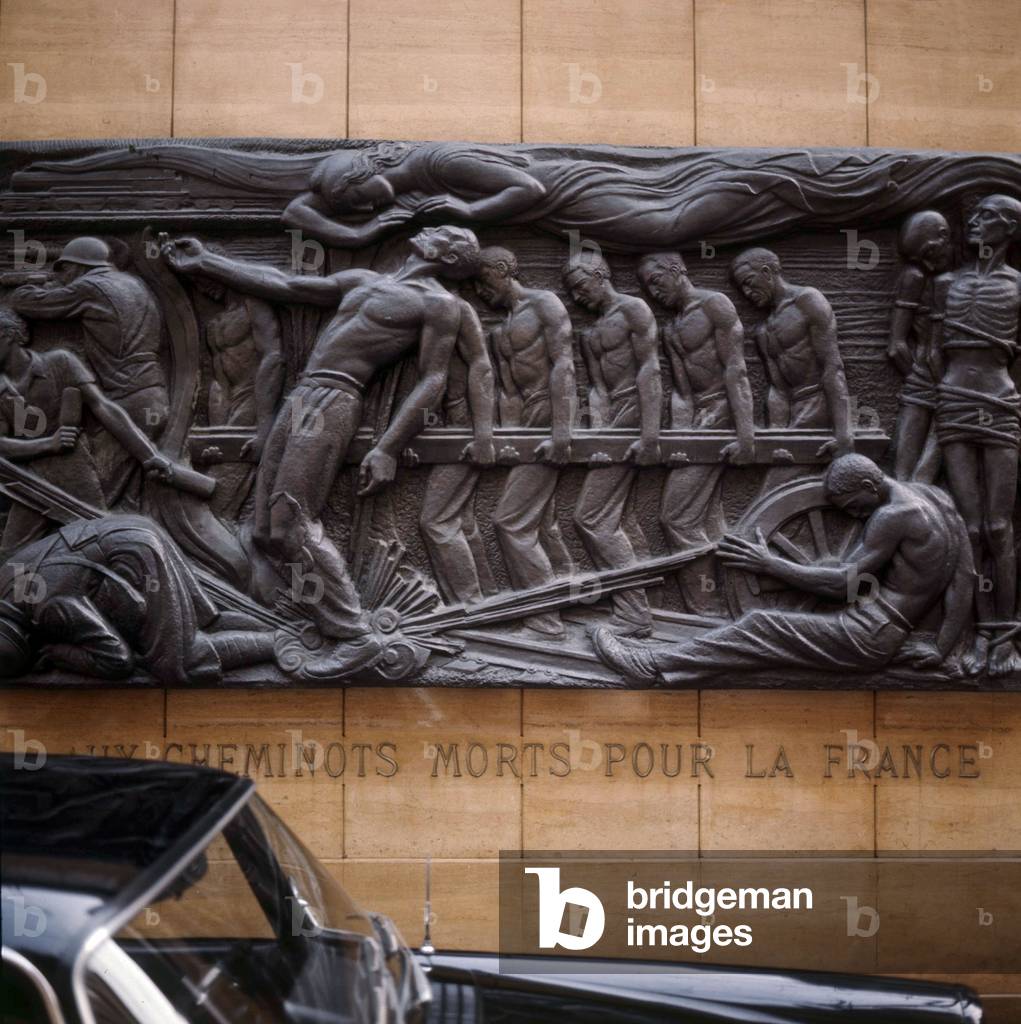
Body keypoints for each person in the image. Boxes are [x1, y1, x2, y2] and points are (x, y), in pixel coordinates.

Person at [160, 226, 496, 677]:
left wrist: (388, 448)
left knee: (289, 522)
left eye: (443, 231)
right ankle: (316, 617)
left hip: (337, 397)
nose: (430, 228)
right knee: (264, 531)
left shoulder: (439, 304)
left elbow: (432, 380)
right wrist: (206, 262)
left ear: (452, 257)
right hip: (302, 396)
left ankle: (354, 634)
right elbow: (288, 285)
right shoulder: (364, 280)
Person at [590, 454, 974, 687]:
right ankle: (678, 670)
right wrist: (943, 648)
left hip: (865, 636)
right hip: (882, 631)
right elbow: (963, 582)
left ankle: (650, 665)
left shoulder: (891, 517)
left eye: (852, 504)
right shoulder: (938, 500)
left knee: (760, 628)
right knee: (756, 643)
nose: (850, 514)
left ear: (870, 485)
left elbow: (843, 582)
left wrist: (769, 563)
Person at [0, 306, 186, 558]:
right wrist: (49, 444)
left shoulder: (60, 362)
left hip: (72, 471)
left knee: (97, 540)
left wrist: (148, 456)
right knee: (11, 556)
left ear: (10, 336)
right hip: (31, 480)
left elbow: (104, 408)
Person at [0, 514, 274, 684]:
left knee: (178, 664)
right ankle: (279, 631)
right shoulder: (6, 584)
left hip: (135, 551)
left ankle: (279, 644)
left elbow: (117, 660)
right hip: (131, 532)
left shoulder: (50, 609)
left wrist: (58, 654)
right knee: (203, 626)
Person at [931, 194, 1021, 675]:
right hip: (955, 401)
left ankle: (1005, 639)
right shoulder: (946, 285)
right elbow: (929, 354)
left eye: (987, 217)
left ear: (1008, 229)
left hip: (1000, 402)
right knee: (967, 528)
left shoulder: (1018, 286)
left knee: (999, 526)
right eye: (975, 214)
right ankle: (975, 635)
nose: (975, 222)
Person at [10, 237, 168, 507]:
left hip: (128, 400)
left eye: (65, 270)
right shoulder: (135, 284)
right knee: (121, 498)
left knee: (81, 498)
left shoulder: (90, 287)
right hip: (151, 394)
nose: (63, 277)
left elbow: (27, 303)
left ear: (80, 266)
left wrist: (31, 283)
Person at [638, 252, 755, 616]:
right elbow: (684, 393)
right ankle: (734, 605)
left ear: (677, 270)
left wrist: (746, 434)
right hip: (699, 418)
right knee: (707, 518)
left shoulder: (715, 305)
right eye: (647, 288)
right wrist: (681, 439)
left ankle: (707, 609)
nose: (653, 292)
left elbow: (736, 370)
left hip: (724, 412)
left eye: (657, 281)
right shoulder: (672, 328)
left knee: (677, 518)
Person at [472, 245, 575, 637]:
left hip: (553, 413)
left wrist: (562, 430)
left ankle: (545, 618)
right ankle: (571, 599)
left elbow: (563, 364)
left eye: (483, 282)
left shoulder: (546, 304)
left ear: (503, 268)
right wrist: (508, 440)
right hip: (528, 419)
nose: (481, 293)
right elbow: (509, 394)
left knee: (510, 522)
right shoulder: (500, 334)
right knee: (542, 521)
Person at [566, 254, 661, 637]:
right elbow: (598, 389)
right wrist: (599, 435)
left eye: (580, 285)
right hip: (614, 425)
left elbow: (649, 369)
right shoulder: (589, 334)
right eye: (570, 291)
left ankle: (635, 612)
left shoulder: (635, 310)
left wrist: (650, 435)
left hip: (637, 415)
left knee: (591, 518)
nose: (576, 296)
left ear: (601, 274)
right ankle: (641, 603)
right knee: (612, 518)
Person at [731, 247, 852, 488]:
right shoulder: (763, 330)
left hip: (819, 404)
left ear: (766, 272)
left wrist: (844, 434)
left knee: (773, 492)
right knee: (780, 487)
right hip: (796, 412)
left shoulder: (808, 301)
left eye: (749, 282)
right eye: (741, 288)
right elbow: (778, 391)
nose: (747, 293)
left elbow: (832, 367)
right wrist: (778, 436)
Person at [192, 259, 285, 519]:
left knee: (228, 477)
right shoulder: (215, 322)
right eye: (197, 282)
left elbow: (273, 356)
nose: (202, 287)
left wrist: (265, 425)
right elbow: (219, 379)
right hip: (226, 399)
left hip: (254, 396)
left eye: (205, 277)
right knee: (222, 462)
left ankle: (218, 527)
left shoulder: (253, 306)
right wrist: (218, 432)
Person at [887, 210, 954, 482]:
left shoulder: (947, 279)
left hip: (941, 376)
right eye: (919, 258)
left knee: (924, 465)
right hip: (932, 377)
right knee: (908, 470)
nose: (927, 263)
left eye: (929, 252)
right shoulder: (914, 277)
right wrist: (922, 377)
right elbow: (896, 345)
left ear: (944, 236)